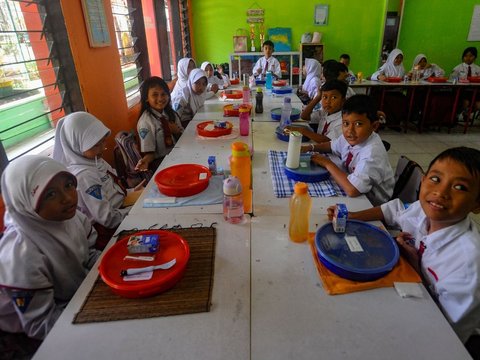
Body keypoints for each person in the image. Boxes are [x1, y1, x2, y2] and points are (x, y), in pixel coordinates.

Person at [329, 146, 480, 344]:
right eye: (435, 179)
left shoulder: (468, 263)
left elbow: (446, 332)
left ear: (477, 204)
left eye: (460, 187)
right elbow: (394, 209)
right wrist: (352, 216)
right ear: (424, 180)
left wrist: (416, 268)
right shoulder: (424, 210)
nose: (440, 192)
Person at [0, 155, 100, 340]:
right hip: (26, 332)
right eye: (50, 194)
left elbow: (89, 255)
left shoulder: (73, 218)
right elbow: (40, 324)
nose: (68, 198)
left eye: (68, 185)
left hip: (73, 300)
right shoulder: (22, 253)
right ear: (26, 204)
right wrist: (96, 318)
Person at [53, 112, 144, 249]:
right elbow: (107, 218)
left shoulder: (94, 161)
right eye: (96, 145)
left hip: (121, 211)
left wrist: (132, 192)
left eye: (103, 142)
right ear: (76, 144)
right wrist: (136, 209)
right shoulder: (84, 176)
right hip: (109, 232)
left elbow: (110, 190)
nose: (102, 148)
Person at [304, 94, 394, 206]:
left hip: (371, 204)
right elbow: (332, 145)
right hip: (353, 187)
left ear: (374, 126)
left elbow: (352, 190)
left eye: (358, 124)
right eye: (346, 123)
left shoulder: (372, 154)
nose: (350, 130)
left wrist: (327, 163)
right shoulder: (353, 137)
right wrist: (310, 147)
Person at [136, 76, 184, 172]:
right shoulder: (146, 122)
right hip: (161, 163)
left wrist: (177, 132)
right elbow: (150, 153)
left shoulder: (170, 114)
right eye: (155, 95)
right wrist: (145, 161)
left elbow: (183, 137)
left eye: (163, 94)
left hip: (178, 154)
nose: (160, 98)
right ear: (146, 98)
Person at [371, 48, 407, 130]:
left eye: (401, 58)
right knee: (390, 101)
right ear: (392, 57)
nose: (399, 60)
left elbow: (403, 77)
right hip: (386, 91)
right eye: (397, 58)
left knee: (403, 101)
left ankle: (395, 123)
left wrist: (407, 77)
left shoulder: (402, 68)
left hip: (397, 91)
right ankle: (386, 123)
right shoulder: (386, 66)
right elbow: (375, 74)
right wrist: (379, 76)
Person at [452, 47, 480, 124]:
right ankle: (456, 115)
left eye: (471, 56)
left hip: (475, 91)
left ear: (475, 57)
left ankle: (467, 113)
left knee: (478, 105)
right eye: (466, 56)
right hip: (462, 91)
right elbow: (453, 79)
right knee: (465, 103)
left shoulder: (478, 69)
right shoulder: (458, 68)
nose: (468, 58)